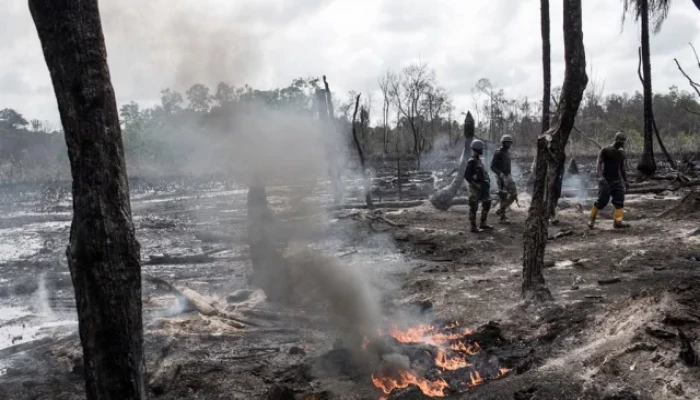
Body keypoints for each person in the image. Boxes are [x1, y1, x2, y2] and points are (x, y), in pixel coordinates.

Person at [588, 132, 629, 229]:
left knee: (619, 201)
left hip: (617, 181)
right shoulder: (606, 150)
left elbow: (622, 168)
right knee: (601, 201)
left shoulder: (621, 153)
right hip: (606, 180)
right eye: (620, 142)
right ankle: (591, 219)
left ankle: (618, 222)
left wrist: (626, 181)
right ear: (616, 140)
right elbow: (598, 163)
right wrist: (601, 177)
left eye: (623, 142)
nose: (621, 144)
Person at [465, 139, 493, 233]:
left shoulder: (479, 160)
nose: (482, 150)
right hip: (475, 188)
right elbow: (467, 176)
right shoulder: (471, 161)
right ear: (476, 149)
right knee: (473, 206)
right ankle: (473, 227)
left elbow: (483, 173)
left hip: (483, 187)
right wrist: (475, 185)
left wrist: (487, 181)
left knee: (487, 203)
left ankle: (483, 223)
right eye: (481, 149)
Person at [491, 134, 517, 222]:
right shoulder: (498, 152)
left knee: (514, 194)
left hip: (508, 176)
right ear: (503, 143)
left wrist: (510, 175)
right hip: (501, 177)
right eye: (508, 143)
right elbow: (492, 166)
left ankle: (500, 210)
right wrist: (500, 174)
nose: (509, 145)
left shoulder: (508, 153)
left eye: (510, 143)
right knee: (503, 195)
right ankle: (502, 217)